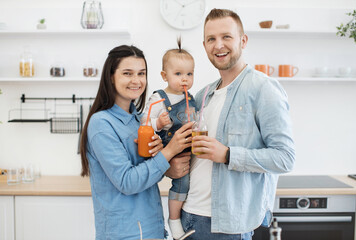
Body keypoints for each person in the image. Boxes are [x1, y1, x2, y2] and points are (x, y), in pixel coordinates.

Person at [181, 8, 296, 240]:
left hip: (227, 226)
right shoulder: (203, 95)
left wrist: (228, 155)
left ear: (243, 41)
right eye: (211, 39)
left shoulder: (264, 89)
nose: (218, 45)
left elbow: (285, 158)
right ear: (204, 46)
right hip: (189, 216)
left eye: (226, 37)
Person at [79, 45, 193, 240]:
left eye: (141, 73)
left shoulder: (139, 119)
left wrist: (164, 163)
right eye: (127, 73)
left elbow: (146, 173)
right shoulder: (101, 124)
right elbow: (127, 182)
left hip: (152, 229)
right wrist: (169, 151)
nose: (136, 80)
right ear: (111, 77)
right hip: (126, 233)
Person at [141, 38, 197, 239]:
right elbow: (144, 122)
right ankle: (173, 220)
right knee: (181, 184)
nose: (185, 79)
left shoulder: (192, 98)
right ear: (164, 76)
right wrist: (158, 123)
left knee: (192, 183)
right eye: (178, 74)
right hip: (167, 150)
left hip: (189, 150)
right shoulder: (159, 98)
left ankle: (183, 216)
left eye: (189, 74)